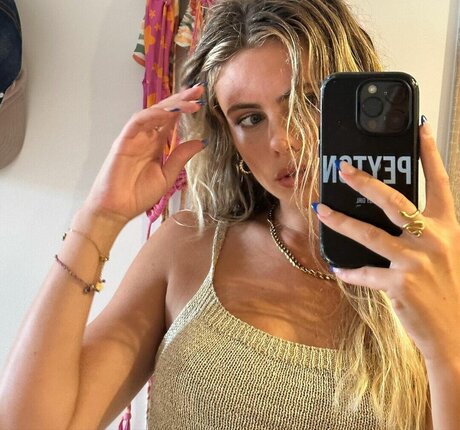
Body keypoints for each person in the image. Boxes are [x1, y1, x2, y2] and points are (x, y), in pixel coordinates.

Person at [0, 0, 459, 429]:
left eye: (307, 100)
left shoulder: (432, 278)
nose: (281, 140)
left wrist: (447, 348)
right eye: (250, 118)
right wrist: (99, 218)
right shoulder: (189, 247)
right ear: (230, 138)